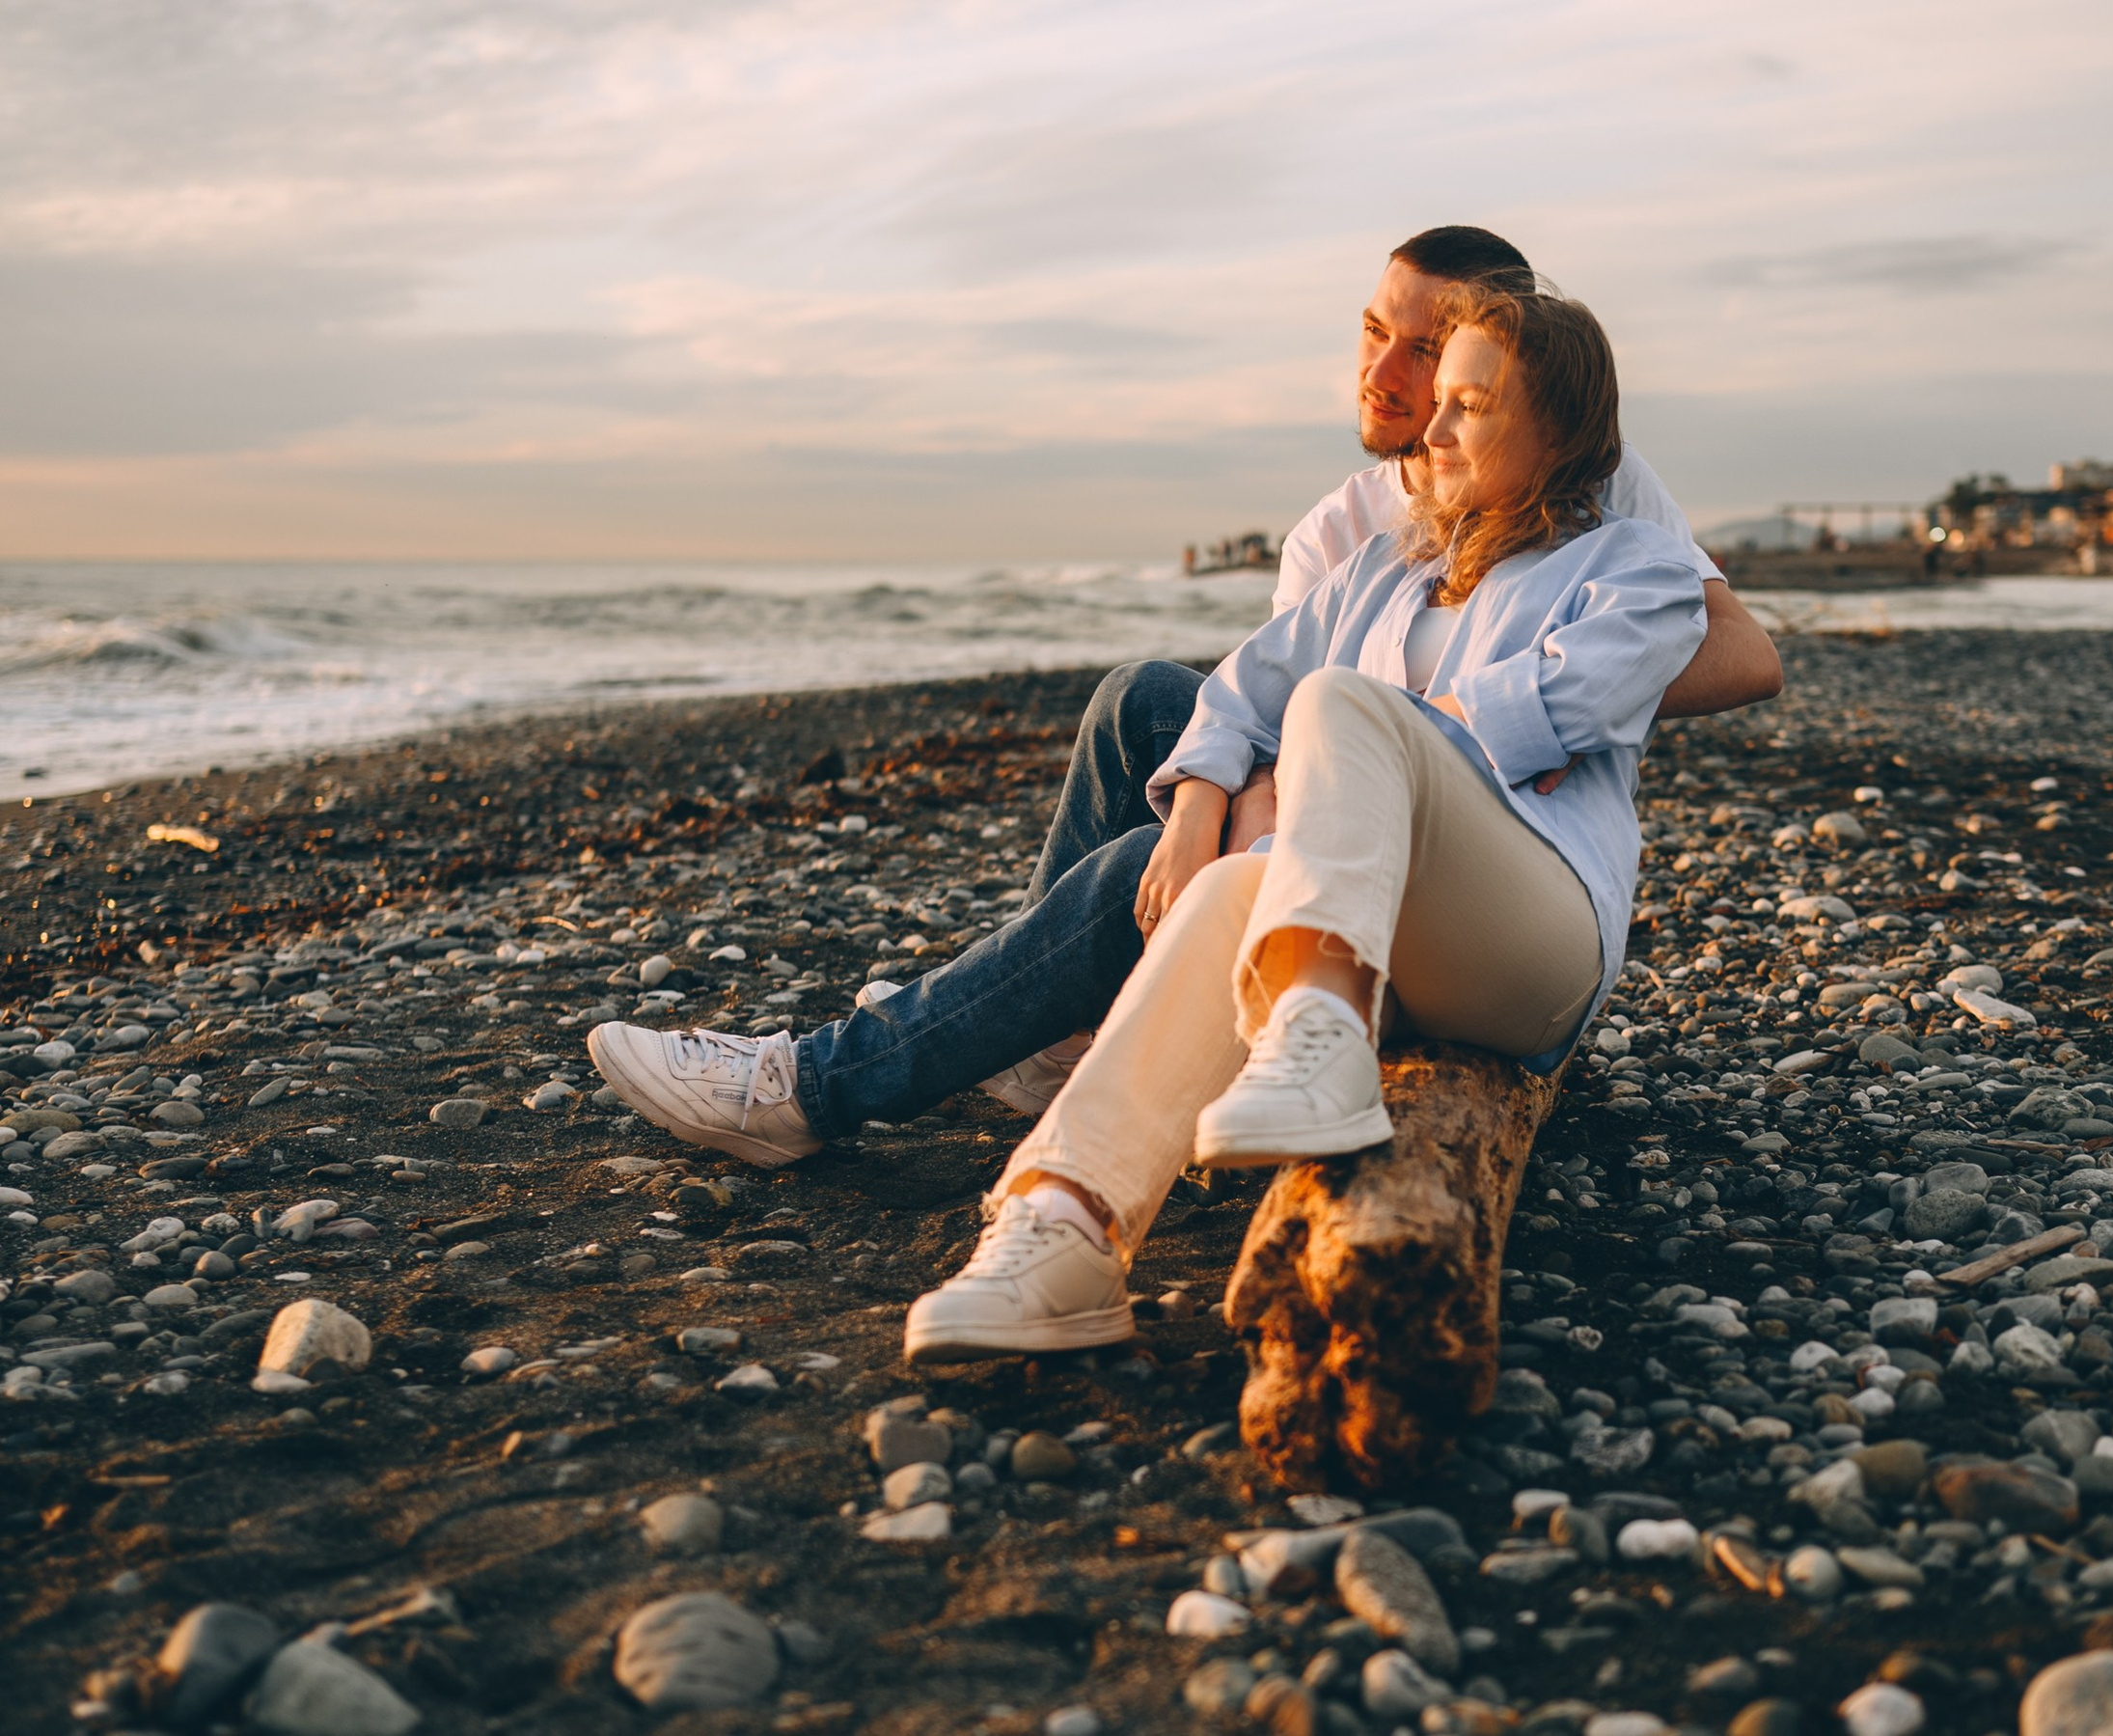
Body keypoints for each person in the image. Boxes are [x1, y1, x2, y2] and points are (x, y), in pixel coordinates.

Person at [584, 228, 1778, 1170]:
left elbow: (1734, 653)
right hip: (1336, 813)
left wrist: (1548, 700)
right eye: (1375, 333)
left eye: (1430, 356)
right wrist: (1213, 799)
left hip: (1486, 859)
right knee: (1143, 701)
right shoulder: (1356, 535)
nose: (1385, 374)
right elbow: (1264, 702)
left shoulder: (1602, 496)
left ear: (1506, 371)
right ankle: (1052, 1028)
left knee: (1156, 865)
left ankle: (815, 1084)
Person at [901, 281, 1709, 1360]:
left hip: (1533, 936)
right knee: (1237, 884)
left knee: (1334, 704)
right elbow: (1239, 688)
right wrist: (1196, 810)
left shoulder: (1638, 569)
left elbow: (1548, 710)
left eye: (1470, 405)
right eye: (1439, 402)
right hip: (1389, 935)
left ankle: (1317, 1034)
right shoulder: (1388, 567)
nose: (1433, 428)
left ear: (1560, 431)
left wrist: (1360, 739)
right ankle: (1068, 1226)